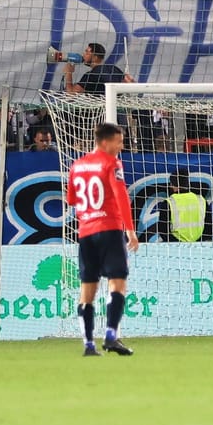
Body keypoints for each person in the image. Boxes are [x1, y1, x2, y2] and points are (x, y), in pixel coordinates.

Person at [66, 121, 136, 356]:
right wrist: (130, 230)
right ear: (105, 142)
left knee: (88, 289)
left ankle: (88, 344)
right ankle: (110, 335)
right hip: (109, 228)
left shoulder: (77, 165)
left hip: (85, 232)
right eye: (119, 141)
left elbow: (72, 200)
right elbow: (121, 196)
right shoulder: (111, 163)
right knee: (117, 282)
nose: (121, 145)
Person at [58, 42, 128, 97]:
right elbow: (129, 82)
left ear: (95, 57)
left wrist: (68, 73)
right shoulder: (114, 69)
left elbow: (70, 94)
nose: (83, 54)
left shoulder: (90, 75)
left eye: (87, 52)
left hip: (100, 113)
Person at [165, 168, 206, 243]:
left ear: (173, 185)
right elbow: (210, 228)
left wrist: (180, 244)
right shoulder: (200, 200)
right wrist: (197, 243)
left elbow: (163, 231)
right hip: (199, 247)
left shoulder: (169, 202)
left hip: (176, 248)